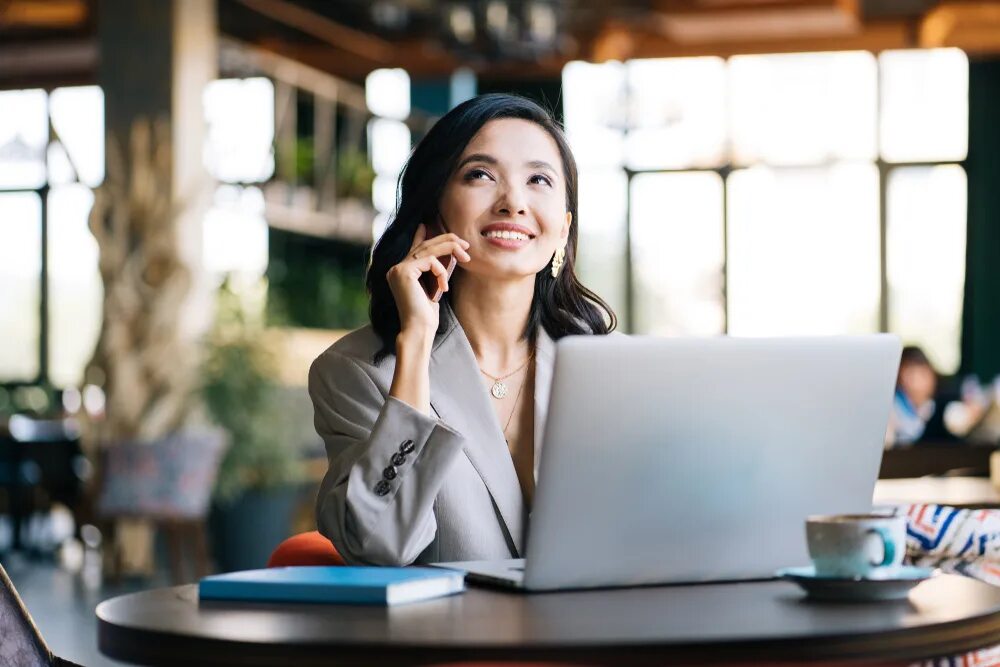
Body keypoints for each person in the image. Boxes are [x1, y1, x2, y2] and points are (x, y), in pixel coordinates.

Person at [309, 94, 618, 566]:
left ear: (563, 229)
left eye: (538, 180)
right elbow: (377, 544)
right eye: (480, 174)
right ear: (433, 214)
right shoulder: (356, 372)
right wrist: (414, 343)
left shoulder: (610, 369)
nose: (513, 201)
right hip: (448, 638)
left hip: (594, 635)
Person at [886, 345, 938, 446]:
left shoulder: (935, 408)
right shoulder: (891, 408)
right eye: (910, 373)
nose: (916, 381)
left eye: (923, 373)